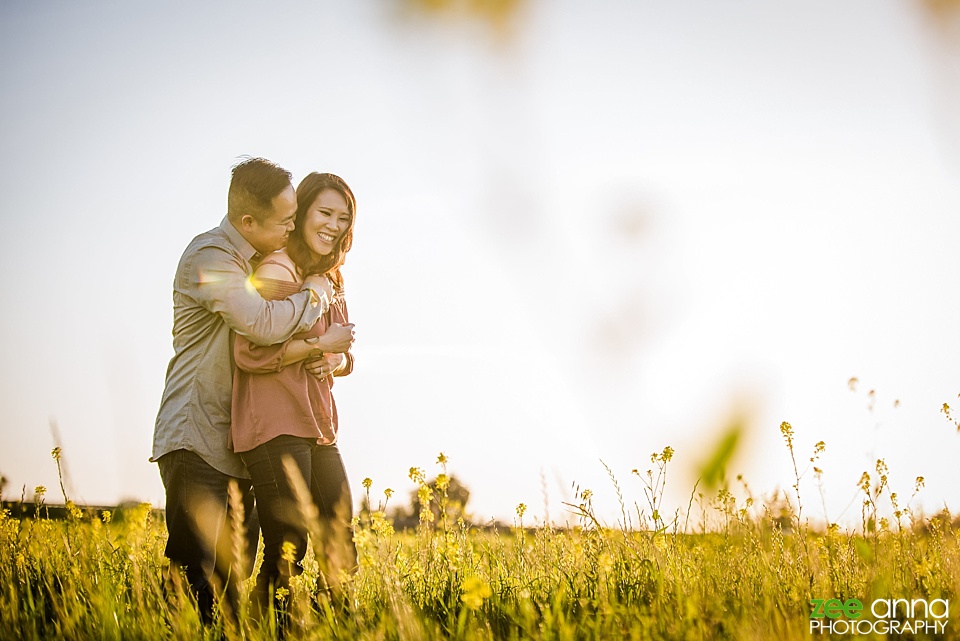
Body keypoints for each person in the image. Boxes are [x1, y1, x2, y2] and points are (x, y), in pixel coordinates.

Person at [151, 158, 355, 625]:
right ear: (248, 222)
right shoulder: (210, 259)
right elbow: (261, 327)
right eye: (286, 220)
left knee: (233, 572)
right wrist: (316, 297)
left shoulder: (264, 263)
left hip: (238, 439)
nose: (291, 228)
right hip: (196, 435)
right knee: (196, 570)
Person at [231, 172, 359, 626]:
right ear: (302, 212)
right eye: (325, 213)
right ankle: (261, 630)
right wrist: (318, 348)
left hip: (318, 424)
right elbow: (247, 351)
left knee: (339, 530)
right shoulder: (277, 269)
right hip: (275, 422)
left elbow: (346, 352)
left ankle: (332, 626)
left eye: (343, 218)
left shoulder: (331, 276)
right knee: (290, 543)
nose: (334, 225)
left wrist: (336, 361)